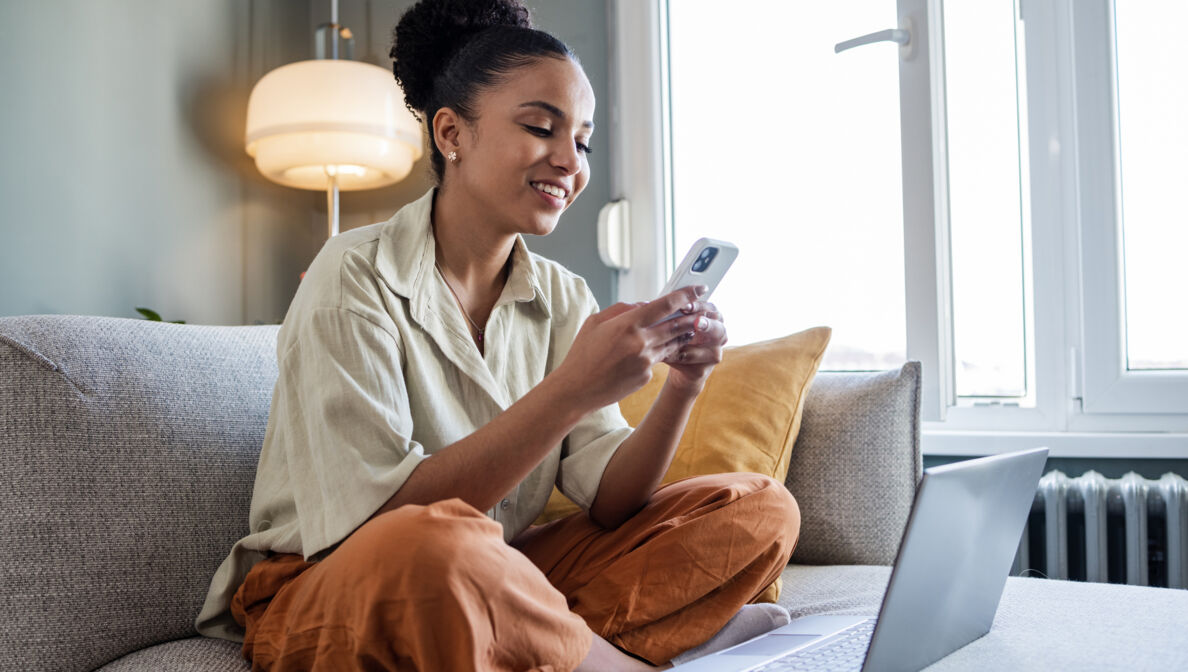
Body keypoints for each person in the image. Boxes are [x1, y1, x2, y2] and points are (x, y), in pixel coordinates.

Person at [195, 0, 800, 669]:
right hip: (333, 583)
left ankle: (528, 638)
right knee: (436, 548)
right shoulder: (352, 275)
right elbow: (376, 529)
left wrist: (685, 385)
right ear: (452, 133)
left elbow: (613, 497)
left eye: (584, 140)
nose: (571, 160)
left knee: (758, 507)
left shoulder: (563, 295)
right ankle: (615, 656)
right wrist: (569, 392)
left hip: (493, 567)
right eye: (543, 127)